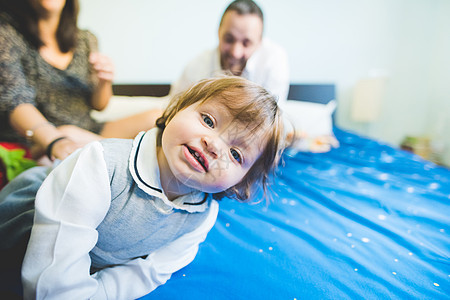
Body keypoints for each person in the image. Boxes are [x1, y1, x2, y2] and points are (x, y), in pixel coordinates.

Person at [0, 76, 286, 299]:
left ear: (242, 183)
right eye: (208, 120)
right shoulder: (101, 164)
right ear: (177, 108)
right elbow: (51, 270)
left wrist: (99, 293)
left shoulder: (201, 216)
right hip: (24, 231)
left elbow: (151, 270)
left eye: (236, 154)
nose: (213, 145)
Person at [0, 0, 159, 163]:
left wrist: (103, 82)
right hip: (42, 139)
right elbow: (16, 103)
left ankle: (105, 149)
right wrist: (56, 141)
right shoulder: (7, 35)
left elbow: (99, 105)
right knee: (70, 134)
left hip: (86, 128)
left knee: (158, 117)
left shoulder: (85, 39)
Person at [170, 0, 290, 104]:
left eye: (246, 43)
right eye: (229, 39)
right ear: (218, 32)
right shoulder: (196, 67)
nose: (235, 53)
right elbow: (173, 110)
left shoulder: (273, 60)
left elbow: (272, 120)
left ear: (260, 42)